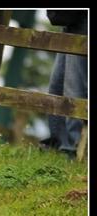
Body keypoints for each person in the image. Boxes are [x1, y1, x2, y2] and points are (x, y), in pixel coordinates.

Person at [40, 10, 87, 159]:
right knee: (56, 86)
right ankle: (59, 142)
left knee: (75, 88)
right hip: (71, 21)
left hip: (83, 21)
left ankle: (71, 149)